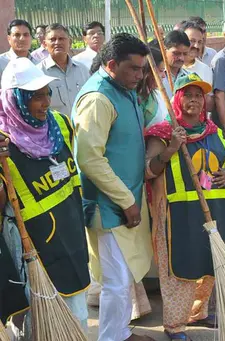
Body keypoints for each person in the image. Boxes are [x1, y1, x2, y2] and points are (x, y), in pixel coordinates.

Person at [71, 33, 154, 341]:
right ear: (111, 65)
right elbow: (90, 159)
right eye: (133, 68)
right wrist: (125, 201)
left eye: (142, 68)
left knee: (123, 277)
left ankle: (120, 332)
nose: (140, 75)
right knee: (116, 281)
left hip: (124, 200)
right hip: (108, 206)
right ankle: (111, 338)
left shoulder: (123, 87)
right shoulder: (97, 99)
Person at [0, 58, 90, 333]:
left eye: (46, 94)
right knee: (37, 318)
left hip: (72, 234)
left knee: (78, 310)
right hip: (35, 248)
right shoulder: (4, 144)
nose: (45, 103)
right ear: (15, 100)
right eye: (34, 97)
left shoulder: (60, 125)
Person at [145, 73, 225, 341]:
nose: (194, 100)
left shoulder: (214, 131)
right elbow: (149, 171)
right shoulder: (163, 133)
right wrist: (172, 147)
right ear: (177, 99)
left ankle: (198, 312)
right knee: (180, 269)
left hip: (214, 207)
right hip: (177, 211)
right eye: (188, 95)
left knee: (210, 262)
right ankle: (175, 326)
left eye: (199, 95)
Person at [36, 23, 90, 117]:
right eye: (53, 39)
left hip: (82, 128)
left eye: (61, 39)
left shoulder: (83, 70)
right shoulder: (39, 73)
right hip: (54, 129)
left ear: (70, 42)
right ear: (45, 44)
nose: (57, 42)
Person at [180, 21, 213, 111]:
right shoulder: (168, 69)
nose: (196, 46)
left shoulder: (205, 69)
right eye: (192, 41)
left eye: (200, 42)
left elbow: (208, 105)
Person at [137, 47, 167, 130]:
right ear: (148, 71)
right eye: (161, 71)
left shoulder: (158, 94)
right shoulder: (136, 98)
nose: (164, 76)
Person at [159, 30, 190, 98]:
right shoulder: (155, 77)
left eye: (185, 54)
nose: (181, 58)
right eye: (176, 53)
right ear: (164, 50)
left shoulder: (190, 77)